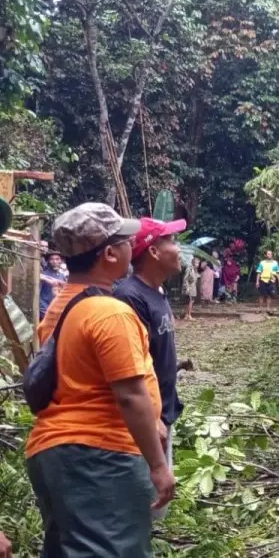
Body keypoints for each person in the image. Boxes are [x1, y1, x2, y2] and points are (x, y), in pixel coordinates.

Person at [25, 203, 174, 558]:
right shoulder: (109, 312)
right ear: (108, 253)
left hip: (54, 454)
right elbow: (130, 395)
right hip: (100, 457)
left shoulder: (61, 307)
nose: (131, 247)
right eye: (125, 242)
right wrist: (158, 464)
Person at [114, 217, 187, 521]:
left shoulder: (155, 292)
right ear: (154, 252)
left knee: (154, 506)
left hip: (162, 408)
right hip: (146, 416)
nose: (178, 248)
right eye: (171, 241)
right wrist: (151, 417)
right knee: (140, 505)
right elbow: (129, 365)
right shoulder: (129, 297)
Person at [39, 249, 68, 320]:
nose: (55, 261)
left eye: (57, 259)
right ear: (48, 261)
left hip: (57, 309)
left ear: (61, 261)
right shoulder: (43, 274)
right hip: (45, 309)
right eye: (52, 259)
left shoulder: (62, 276)